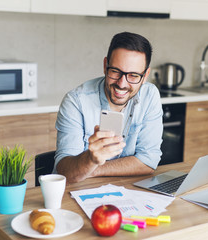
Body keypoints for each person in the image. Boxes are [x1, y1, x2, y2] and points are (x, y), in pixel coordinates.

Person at [54, 32, 163, 183]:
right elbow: (66, 173)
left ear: (145, 76)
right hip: (77, 192)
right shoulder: (76, 102)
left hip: (128, 191)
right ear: (105, 66)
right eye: (115, 71)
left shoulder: (150, 95)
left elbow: (148, 162)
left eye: (133, 75)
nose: (122, 84)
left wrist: (91, 169)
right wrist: (90, 159)